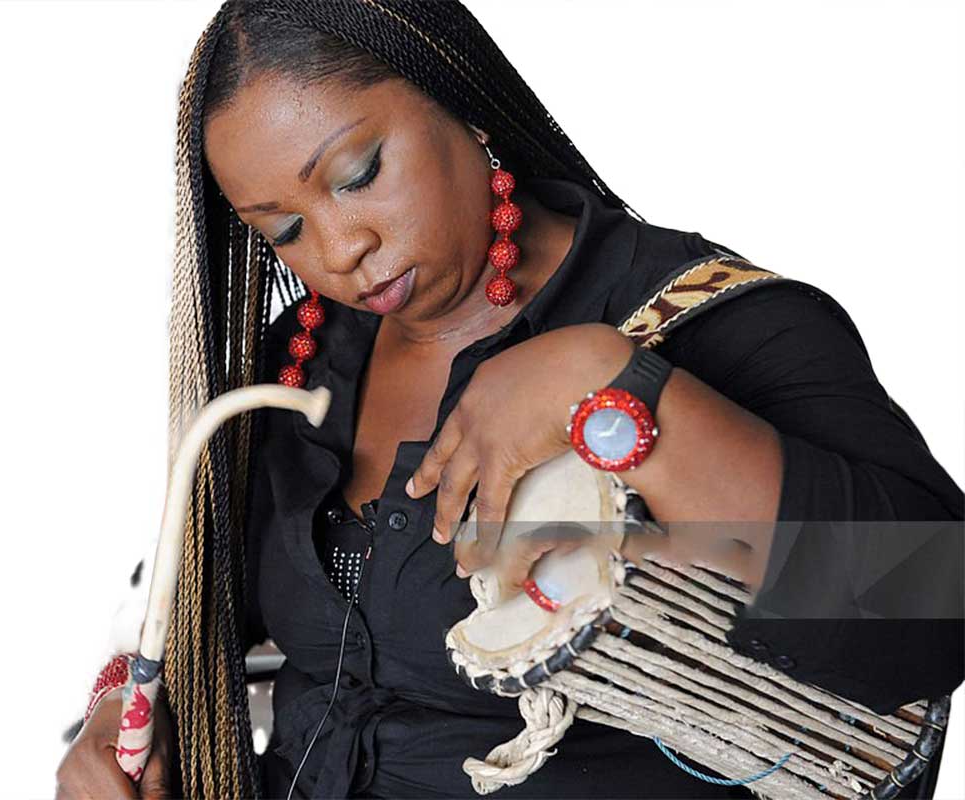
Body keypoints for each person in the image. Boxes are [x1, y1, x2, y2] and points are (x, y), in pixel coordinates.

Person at [55, 1, 964, 798]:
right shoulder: (296, 368)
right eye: (285, 229)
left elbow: (934, 606)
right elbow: (185, 589)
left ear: (459, 100)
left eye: (359, 173)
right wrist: (122, 703)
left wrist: (605, 389)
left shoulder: (703, 319)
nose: (338, 249)